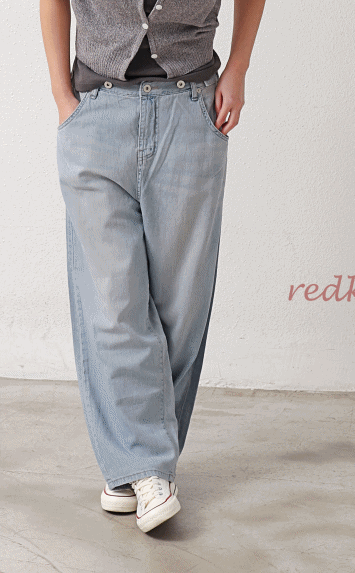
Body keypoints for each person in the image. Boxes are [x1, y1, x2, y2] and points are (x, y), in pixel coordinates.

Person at [40, 0, 266, 533]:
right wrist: (61, 97)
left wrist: (237, 68)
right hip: (96, 110)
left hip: (191, 110)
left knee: (179, 307)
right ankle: (147, 468)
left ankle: (135, 464)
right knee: (112, 303)